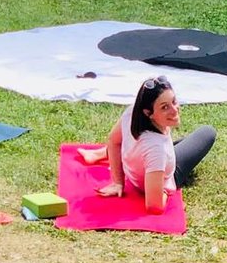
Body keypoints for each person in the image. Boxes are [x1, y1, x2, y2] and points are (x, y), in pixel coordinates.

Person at [90, 76, 217, 213]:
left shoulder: (133, 113)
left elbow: (114, 142)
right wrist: (165, 191)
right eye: (165, 107)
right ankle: (101, 153)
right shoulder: (157, 149)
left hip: (139, 168)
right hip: (155, 178)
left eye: (174, 101)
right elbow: (154, 206)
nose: (174, 110)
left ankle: (100, 153)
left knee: (186, 142)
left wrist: (118, 182)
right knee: (207, 132)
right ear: (148, 113)